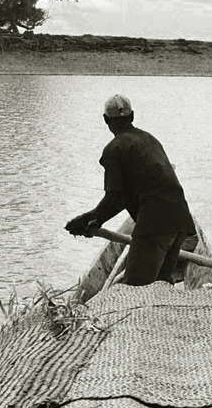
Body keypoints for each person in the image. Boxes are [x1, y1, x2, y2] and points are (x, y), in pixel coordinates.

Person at [65, 94, 195, 286]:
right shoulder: (150, 139)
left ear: (106, 120)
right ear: (132, 116)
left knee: (135, 287)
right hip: (180, 219)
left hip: (155, 223)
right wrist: (95, 218)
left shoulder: (114, 149)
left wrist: (89, 219)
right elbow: (121, 199)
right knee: (161, 284)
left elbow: (114, 197)